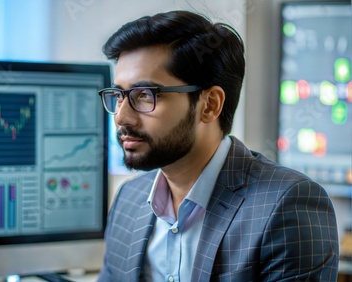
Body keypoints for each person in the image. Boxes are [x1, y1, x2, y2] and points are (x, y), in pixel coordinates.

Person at [97, 10, 339, 282]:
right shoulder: (129, 199)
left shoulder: (288, 206)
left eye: (145, 95)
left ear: (210, 105)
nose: (121, 116)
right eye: (118, 95)